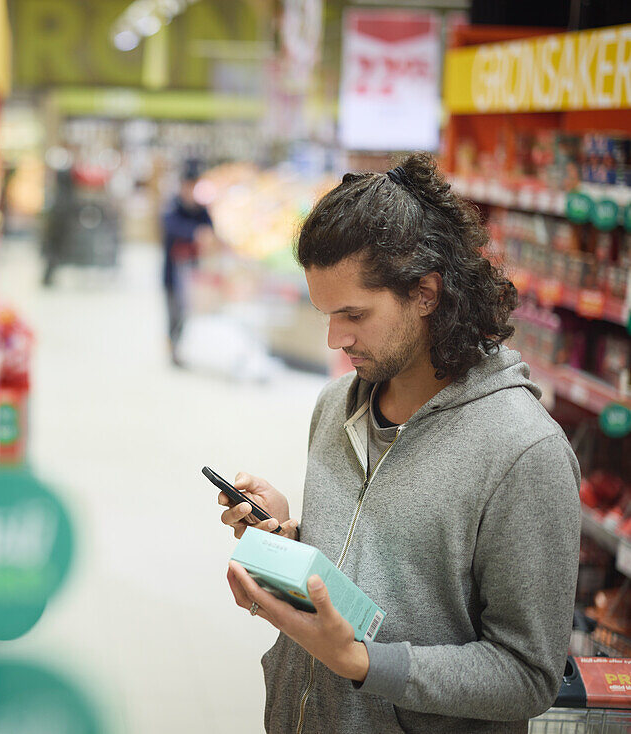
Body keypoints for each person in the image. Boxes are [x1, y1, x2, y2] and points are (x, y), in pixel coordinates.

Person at [217, 152, 580, 733]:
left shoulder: (524, 452)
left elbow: (527, 675)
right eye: (326, 314)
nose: (336, 338)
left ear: (427, 293)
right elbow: (384, 569)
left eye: (354, 314)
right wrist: (289, 540)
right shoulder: (336, 405)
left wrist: (361, 663)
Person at [161, 160, 216, 367]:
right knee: (174, 310)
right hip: (172, 272)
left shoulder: (201, 210)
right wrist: (195, 233)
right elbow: (171, 227)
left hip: (192, 272)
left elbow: (211, 230)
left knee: (185, 311)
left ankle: (177, 346)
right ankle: (172, 346)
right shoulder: (172, 207)